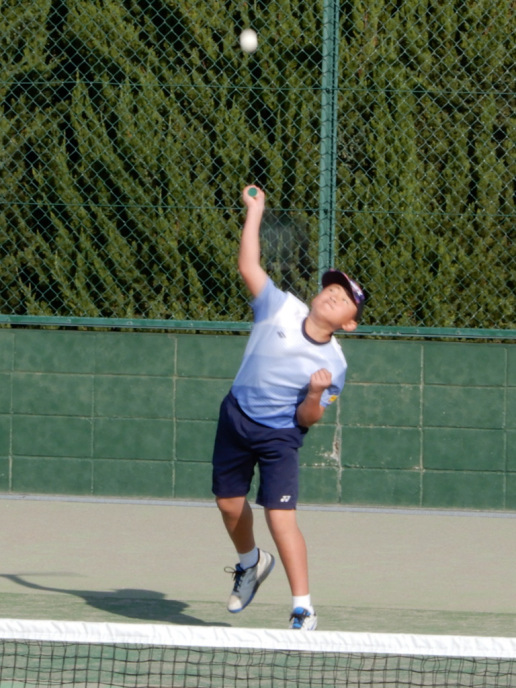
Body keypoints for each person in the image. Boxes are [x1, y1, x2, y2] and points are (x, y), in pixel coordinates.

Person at [211, 185, 365, 630]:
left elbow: (307, 420)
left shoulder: (335, 364)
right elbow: (248, 265)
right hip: (236, 415)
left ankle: (303, 608)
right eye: (331, 288)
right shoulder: (278, 307)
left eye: (344, 298)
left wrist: (315, 395)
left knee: (280, 517)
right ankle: (251, 563)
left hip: (280, 435)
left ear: (349, 323)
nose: (333, 294)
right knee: (228, 505)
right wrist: (255, 210)